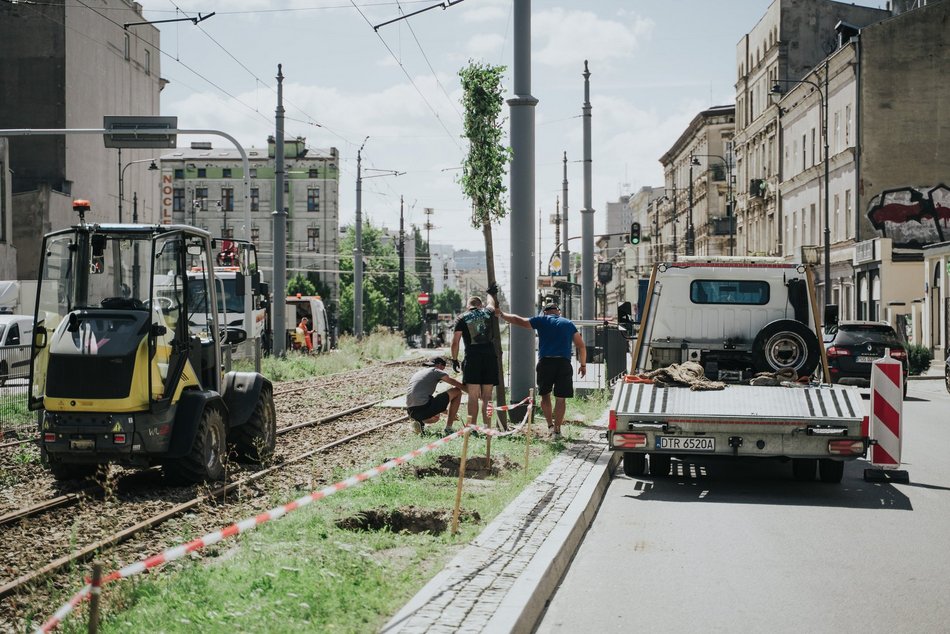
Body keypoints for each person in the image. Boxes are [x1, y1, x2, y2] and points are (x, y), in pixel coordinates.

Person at [495, 299, 587, 440]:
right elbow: (581, 345)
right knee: (561, 399)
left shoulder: (542, 320)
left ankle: (550, 426)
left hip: (546, 363)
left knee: (545, 395)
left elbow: (518, 320)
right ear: (558, 312)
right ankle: (557, 430)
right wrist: (583, 365)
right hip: (563, 363)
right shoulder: (568, 323)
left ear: (545, 312)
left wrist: (501, 314)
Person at [451, 292, 500, 428]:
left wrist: (454, 359)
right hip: (490, 358)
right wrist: (490, 293)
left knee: (472, 396)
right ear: (480, 305)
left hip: (472, 359)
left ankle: (472, 427)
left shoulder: (462, 318)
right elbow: (492, 303)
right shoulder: (487, 312)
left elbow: (455, 342)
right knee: (487, 397)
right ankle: (487, 427)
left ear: (468, 306)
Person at [405, 357, 464, 435]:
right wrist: (471, 391)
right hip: (423, 407)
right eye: (443, 369)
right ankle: (448, 428)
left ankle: (419, 422)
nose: (442, 371)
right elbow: (455, 383)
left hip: (411, 412)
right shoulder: (436, 371)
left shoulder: (420, 373)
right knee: (457, 391)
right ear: (440, 365)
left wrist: (450, 413)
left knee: (435, 414)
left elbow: (431, 403)